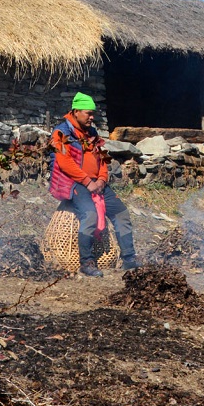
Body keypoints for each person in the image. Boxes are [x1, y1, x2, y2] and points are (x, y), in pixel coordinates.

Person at [49, 92, 139, 277]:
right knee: (89, 215)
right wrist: (87, 181)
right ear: (76, 112)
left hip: (96, 183)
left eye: (93, 114)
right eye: (88, 113)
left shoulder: (92, 132)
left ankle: (129, 259)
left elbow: (103, 157)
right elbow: (65, 163)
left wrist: (102, 179)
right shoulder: (61, 133)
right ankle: (86, 262)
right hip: (74, 183)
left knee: (121, 213)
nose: (92, 117)